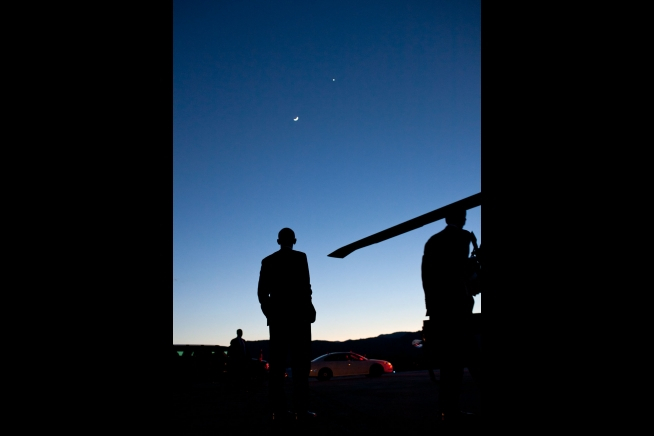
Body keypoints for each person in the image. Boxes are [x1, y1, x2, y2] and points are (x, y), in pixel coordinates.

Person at [421, 207, 481, 423]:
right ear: (462, 219)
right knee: (472, 360)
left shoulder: (433, 241)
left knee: (451, 366)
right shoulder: (461, 238)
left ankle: (449, 411)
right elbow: (460, 273)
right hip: (457, 313)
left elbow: (428, 278)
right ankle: (451, 411)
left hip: (440, 312)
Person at [257, 228, 317, 421]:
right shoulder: (301, 258)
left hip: (279, 321)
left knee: (277, 367)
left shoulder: (268, 261)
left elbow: (261, 293)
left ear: (278, 241)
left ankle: (279, 411)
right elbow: (306, 288)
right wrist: (309, 309)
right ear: (295, 240)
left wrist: (271, 313)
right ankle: (300, 410)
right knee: (300, 367)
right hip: (299, 320)